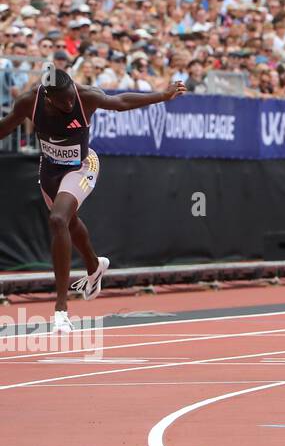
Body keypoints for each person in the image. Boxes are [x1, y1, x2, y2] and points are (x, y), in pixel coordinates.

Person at [0, 67, 186, 333]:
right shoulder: (30, 101)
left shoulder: (85, 96)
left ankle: (61, 309)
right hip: (50, 171)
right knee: (68, 223)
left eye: (71, 98)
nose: (70, 103)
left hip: (82, 166)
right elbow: (5, 128)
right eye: (64, 101)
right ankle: (94, 265)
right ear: (48, 98)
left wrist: (162, 96)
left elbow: (121, 102)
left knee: (58, 219)